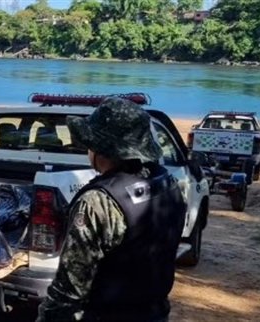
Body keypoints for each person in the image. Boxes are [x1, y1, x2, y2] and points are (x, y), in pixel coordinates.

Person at [36, 97, 187, 322]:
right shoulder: (168, 184)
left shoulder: (98, 202)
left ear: (99, 149)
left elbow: (70, 289)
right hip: (154, 312)